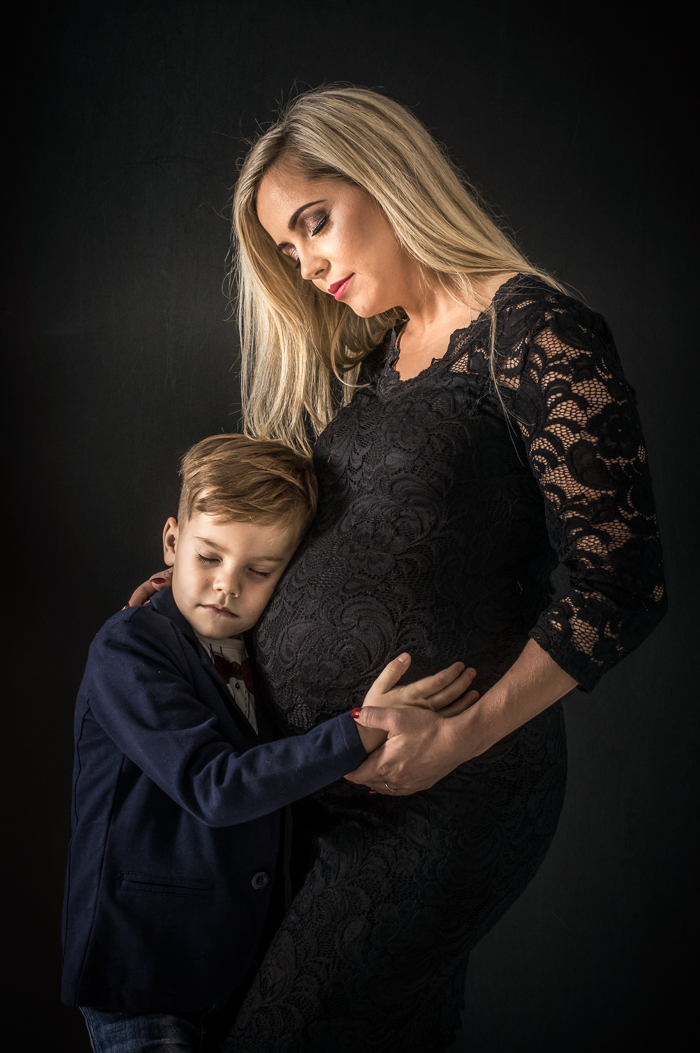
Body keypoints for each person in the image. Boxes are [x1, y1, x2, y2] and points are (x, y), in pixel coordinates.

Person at [133, 85, 667, 1051]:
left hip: (446, 793)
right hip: (323, 792)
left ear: (385, 175)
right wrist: (192, 602)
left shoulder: (532, 330)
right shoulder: (378, 360)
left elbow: (621, 581)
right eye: (288, 250)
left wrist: (459, 736)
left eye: (314, 222)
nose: (308, 264)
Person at [62, 432, 478, 1053]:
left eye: (259, 571)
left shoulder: (249, 648)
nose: (227, 586)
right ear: (172, 542)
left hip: (230, 968)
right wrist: (363, 726)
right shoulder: (126, 650)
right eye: (208, 558)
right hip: (143, 969)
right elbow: (214, 785)